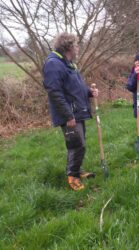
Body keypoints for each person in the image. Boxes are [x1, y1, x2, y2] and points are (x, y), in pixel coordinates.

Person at [43, 33, 98, 191]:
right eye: (76, 45)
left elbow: (76, 86)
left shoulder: (68, 63)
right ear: (69, 47)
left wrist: (89, 92)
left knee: (80, 144)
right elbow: (54, 92)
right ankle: (72, 176)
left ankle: (77, 170)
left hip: (77, 110)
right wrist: (68, 116)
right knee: (76, 145)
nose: (78, 48)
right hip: (69, 114)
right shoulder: (53, 64)